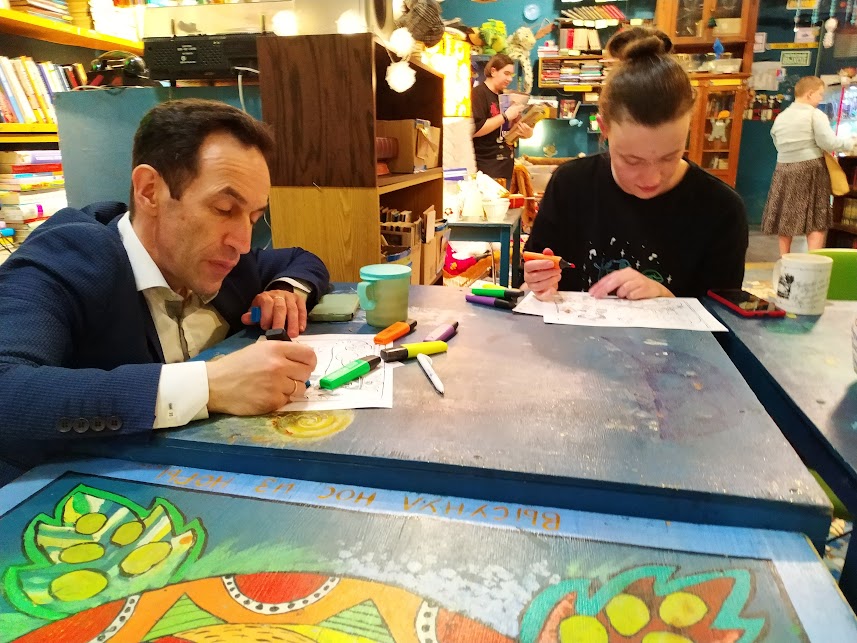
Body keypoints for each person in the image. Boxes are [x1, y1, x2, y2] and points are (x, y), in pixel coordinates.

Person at [0, 98, 330, 484]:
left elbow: (301, 260)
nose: (242, 242)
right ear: (149, 191)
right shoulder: (72, 254)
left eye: (254, 217)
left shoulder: (226, 262)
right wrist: (209, 385)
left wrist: (285, 291)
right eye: (224, 209)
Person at [524, 27, 748, 301]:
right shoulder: (570, 186)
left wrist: (666, 299)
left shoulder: (721, 210)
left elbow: (723, 319)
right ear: (604, 129)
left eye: (669, 156)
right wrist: (537, 283)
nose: (651, 179)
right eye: (632, 160)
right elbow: (534, 279)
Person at [762, 75, 856, 255]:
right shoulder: (815, 115)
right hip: (811, 168)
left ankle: (785, 258)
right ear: (810, 94)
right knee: (816, 217)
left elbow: (776, 140)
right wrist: (850, 142)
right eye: (820, 94)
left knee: (786, 215)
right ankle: (813, 259)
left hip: (783, 168)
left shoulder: (781, 117)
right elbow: (829, 143)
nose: (821, 98)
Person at [471, 53, 535, 187]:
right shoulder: (478, 93)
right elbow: (475, 130)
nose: (510, 79)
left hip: (506, 167)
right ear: (493, 71)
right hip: (486, 169)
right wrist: (505, 116)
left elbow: (506, 132)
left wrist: (526, 133)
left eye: (511, 75)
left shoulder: (504, 96)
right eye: (506, 73)